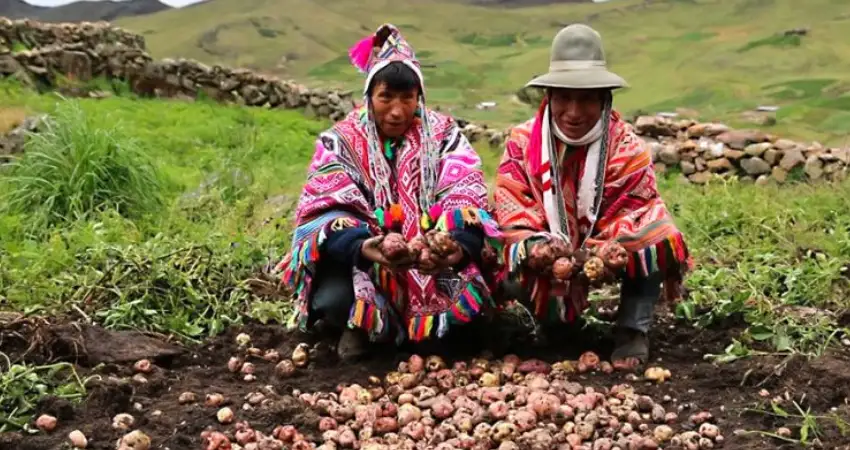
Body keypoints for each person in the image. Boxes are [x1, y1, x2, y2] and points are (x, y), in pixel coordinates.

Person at [278, 24, 502, 360]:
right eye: (386, 97)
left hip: (434, 262)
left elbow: (465, 195)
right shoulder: (339, 141)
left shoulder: (444, 136)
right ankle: (360, 326)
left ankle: (436, 331)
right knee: (333, 302)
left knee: (469, 320)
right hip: (365, 263)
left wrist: (455, 247)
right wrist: (367, 247)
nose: (397, 111)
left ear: (419, 97)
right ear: (369, 96)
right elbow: (326, 213)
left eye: (407, 98)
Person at [493, 24, 692, 370]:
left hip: (605, 251)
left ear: (604, 99)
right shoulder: (522, 142)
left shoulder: (628, 148)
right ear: (548, 97)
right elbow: (512, 207)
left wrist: (602, 251)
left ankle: (633, 329)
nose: (573, 111)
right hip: (548, 256)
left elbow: (638, 209)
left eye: (586, 98)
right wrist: (539, 245)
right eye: (563, 98)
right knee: (503, 245)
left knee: (658, 233)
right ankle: (556, 325)